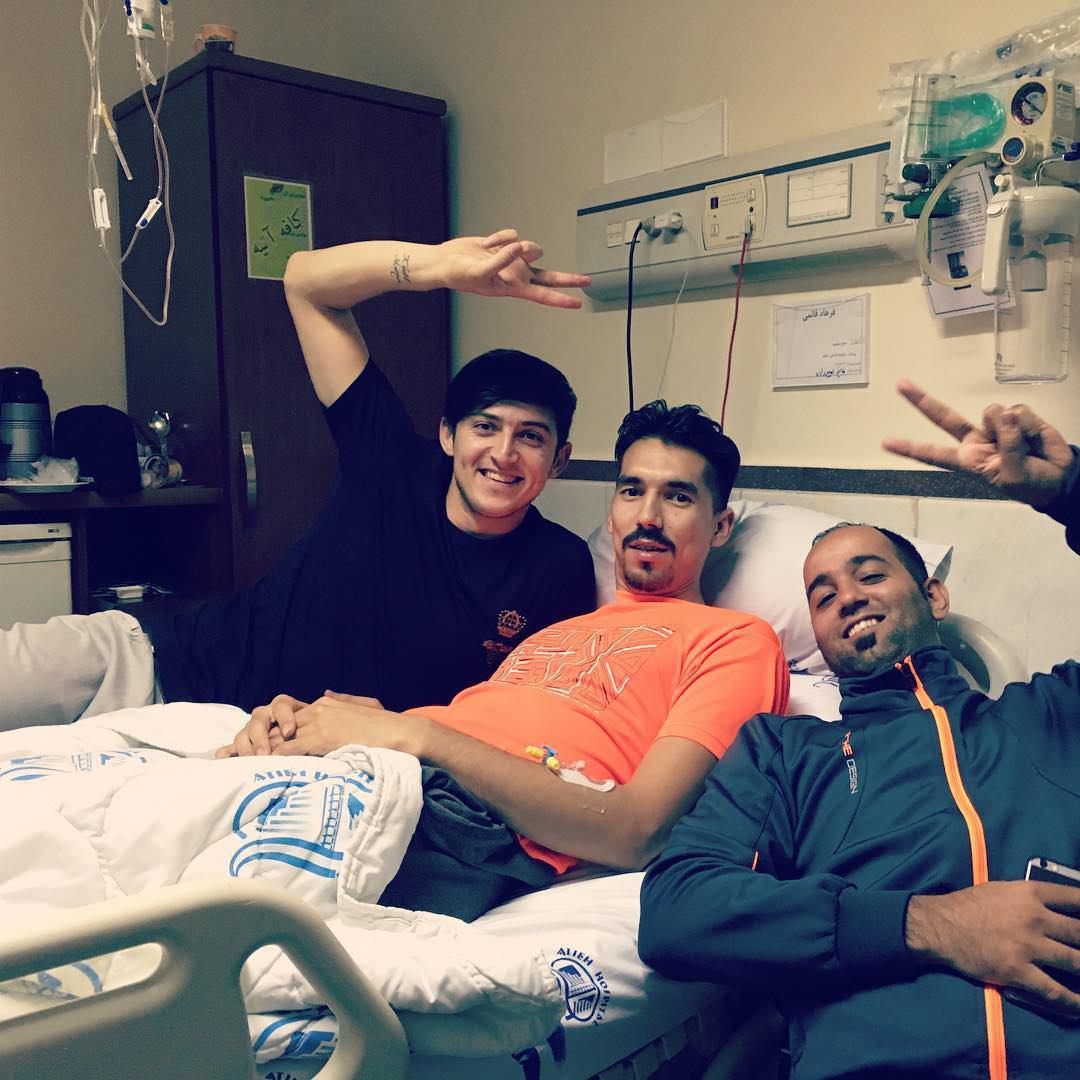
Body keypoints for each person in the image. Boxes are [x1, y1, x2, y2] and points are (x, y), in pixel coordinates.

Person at [638, 380, 1080, 1078]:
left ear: (934, 595)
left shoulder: (1052, 714)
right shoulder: (783, 754)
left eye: (869, 575)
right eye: (822, 596)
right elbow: (676, 911)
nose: (846, 598)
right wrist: (932, 926)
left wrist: (1072, 492)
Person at [0, 230, 596, 728]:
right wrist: (435, 266)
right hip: (156, 665)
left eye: (531, 437)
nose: (504, 454)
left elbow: (519, 720)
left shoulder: (557, 567)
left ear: (559, 459)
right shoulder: (389, 461)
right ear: (448, 436)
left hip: (273, 756)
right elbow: (306, 283)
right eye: (485, 427)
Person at [220, 400, 789, 920]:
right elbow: (478, 729)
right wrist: (332, 724)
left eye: (679, 497)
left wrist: (410, 734)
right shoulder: (561, 629)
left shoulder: (736, 641)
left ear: (720, 527)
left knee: (210, 899)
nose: (648, 516)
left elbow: (637, 831)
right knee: (191, 785)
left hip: (459, 820)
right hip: (385, 766)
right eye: (631, 491)